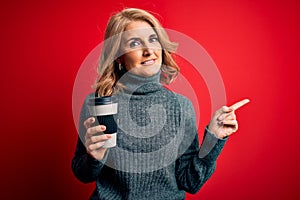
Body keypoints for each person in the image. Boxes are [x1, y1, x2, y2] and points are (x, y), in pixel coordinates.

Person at [71, 8, 249, 200]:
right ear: (119, 56)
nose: (149, 51)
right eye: (135, 43)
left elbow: (190, 182)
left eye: (153, 39)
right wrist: (93, 157)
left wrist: (213, 138)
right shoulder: (98, 103)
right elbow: (82, 173)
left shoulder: (181, 107)